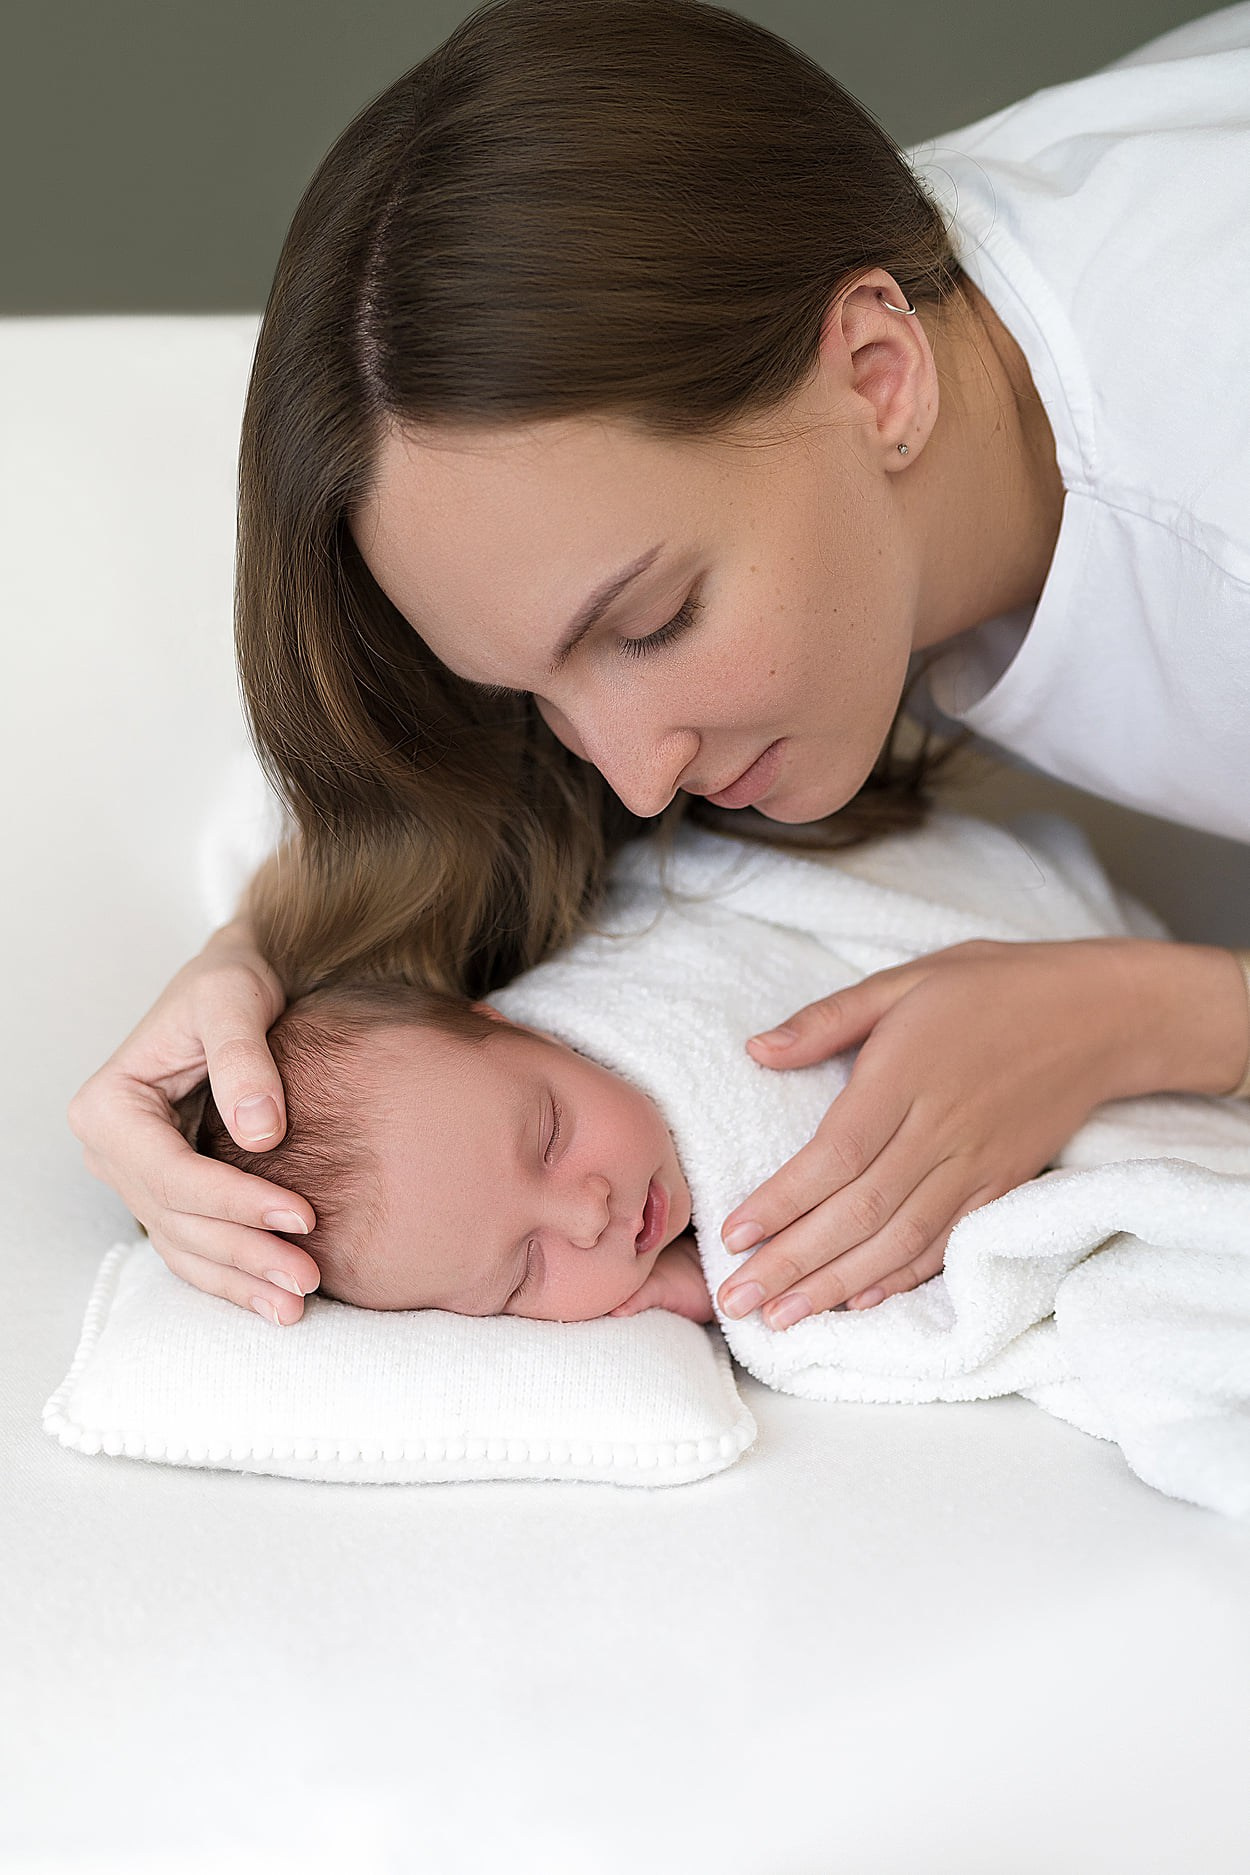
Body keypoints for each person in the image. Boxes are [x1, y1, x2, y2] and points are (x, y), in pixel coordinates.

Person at [69, 0, 1250, 1338]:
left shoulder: (1210, 463)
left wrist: (1167, 1016)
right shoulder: (774, 331)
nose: (633, 782)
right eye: (537, 692)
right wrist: (254, 967)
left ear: (878, 375)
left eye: (651, 623)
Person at [188, 977, 714, 1326]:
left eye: (550, 1137)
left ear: (527, 1031)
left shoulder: (671, 984)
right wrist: (723, 1283)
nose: (589, 1216)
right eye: (523, 1273)